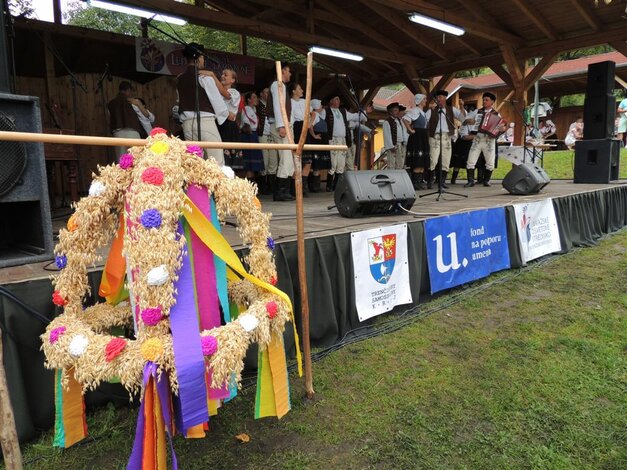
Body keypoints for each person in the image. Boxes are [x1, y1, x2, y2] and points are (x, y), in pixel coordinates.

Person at [177, 43, 228, 163]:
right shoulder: (205, 78)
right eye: (203, 57)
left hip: (187, 125)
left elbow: (179, 102)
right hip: (205, 123)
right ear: (199, 58)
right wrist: (225, 114)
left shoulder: (179, 79)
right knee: (216, 162)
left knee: (195, 163)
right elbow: (218, 103)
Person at [425, 90, 466, 188]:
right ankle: (430, 181)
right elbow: (424, 122)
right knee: (433, 160)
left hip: (446, 137)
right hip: (435, 137)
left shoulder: (451, 109)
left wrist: (462, 106)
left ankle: (441, 183)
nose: (439, 99)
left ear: (445, 98)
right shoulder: (431, 110)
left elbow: (463, 118)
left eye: (441, 97)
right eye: (437, 97)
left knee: (446, 160)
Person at [465, 91, 505, 187]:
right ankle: (470, 181)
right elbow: (466, 120)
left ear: (492, 102)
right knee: (471, 160)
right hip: (478, 138)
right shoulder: (477, 112)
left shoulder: (497, 114)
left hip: (489, 140)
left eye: (486, 100)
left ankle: (486, 181)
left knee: (490, 161)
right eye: (483, 100)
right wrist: (471, 121)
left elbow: (501, 128)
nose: (484, 101)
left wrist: (501, 129)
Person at [268, 63, 294, 201]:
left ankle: (284, 190)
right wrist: (281, 125)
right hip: (280, 125)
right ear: (283, 70)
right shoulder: (278, 84)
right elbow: (279, 106)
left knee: (288, 159)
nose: (290, 74)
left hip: (283, 124)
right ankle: (280, 192)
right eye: (289, 71)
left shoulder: (281, 86)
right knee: (285, 158)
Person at [321, 95, 354, 191]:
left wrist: (363, 112)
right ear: (331, 101)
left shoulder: (343, 111)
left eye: (339, 99)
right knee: (332, 163)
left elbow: (354, 116)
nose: (338, 101)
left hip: (342, 140)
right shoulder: (325, 111)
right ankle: (329, 186)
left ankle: (337, 186)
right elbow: (318, 119)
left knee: (341, 163)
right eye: (336, 99)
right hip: (332, 139)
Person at [107, 81, 146, 161]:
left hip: (118, 132)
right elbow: (144, 115)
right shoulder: (132, 101)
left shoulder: (111, 103)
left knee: (122, 159)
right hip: (132, 130)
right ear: (128, 90)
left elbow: (110, 118)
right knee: (137, 158)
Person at [402, 93, 429, 189]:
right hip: (417, 137)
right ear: (420, 101)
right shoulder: (415, 110)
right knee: (418, 159)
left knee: (422, 160)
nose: (426, 100)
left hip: (422, 136)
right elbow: (405, 119)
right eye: (424, 99)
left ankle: (418, 182)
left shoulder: (422, 112)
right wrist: (410, 130)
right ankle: (415, 183)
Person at [290, 82, 311, 195]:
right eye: (299, 88)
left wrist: (309, 124)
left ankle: (304, 187)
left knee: (308, 161)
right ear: (294, 91)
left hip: (305, 127)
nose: (302, 90)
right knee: (297, 160)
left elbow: (313, 114)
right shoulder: (290, 102)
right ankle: (294, 188)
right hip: (296, 127)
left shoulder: (304, 101)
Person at [239, 91, 264, 181]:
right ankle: (250, 185)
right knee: (249, 163)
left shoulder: (254, 110)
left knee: (253, 164)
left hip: (253, 135)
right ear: (249, 100)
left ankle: (253, 184)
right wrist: (250, 133)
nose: (256, 99)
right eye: (253, 97)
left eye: (256, 97)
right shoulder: (246, 108)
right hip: (248, 135)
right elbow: (246, 124)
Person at [256, 87, 277, 195]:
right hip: (263, 135)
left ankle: (271, 187)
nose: (268, 94)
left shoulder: (272, 106)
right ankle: (263, 187)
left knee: (273, 162)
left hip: (272, 136)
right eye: (266, 92)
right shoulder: (258, 105)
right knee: (264, 161)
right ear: (261, 94)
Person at [308, 99, 331, 192]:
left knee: (318, 164)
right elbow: (310, 126)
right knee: (316, 164)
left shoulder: (318, 115)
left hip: (322, 141)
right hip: (318, 141)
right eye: (320, 104)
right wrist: (314, 135)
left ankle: (315, 186)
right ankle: (314, 186)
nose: (322, 106)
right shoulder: (314, 114)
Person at [450, 116, 476, 185]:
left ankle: (470, 180)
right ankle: (453, 179)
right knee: (457, 163)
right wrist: (476, 136)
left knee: (469, 162)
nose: (472, 121)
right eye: (470, 120)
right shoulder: (464, 125)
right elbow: (464, 137)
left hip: (470, 144)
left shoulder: (475, 125)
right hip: (461, 145)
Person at [382, 102, 405, 171]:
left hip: (400, 144)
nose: (397, 112)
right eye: (395, 110)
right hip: (393, 145)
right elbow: (387, 135)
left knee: (400, 163)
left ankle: (398, 178)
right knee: (391, 163)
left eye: (397, 110)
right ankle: (391, 178)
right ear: (390, 112)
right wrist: (391, 146)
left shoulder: (399, 120)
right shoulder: (387, 121)